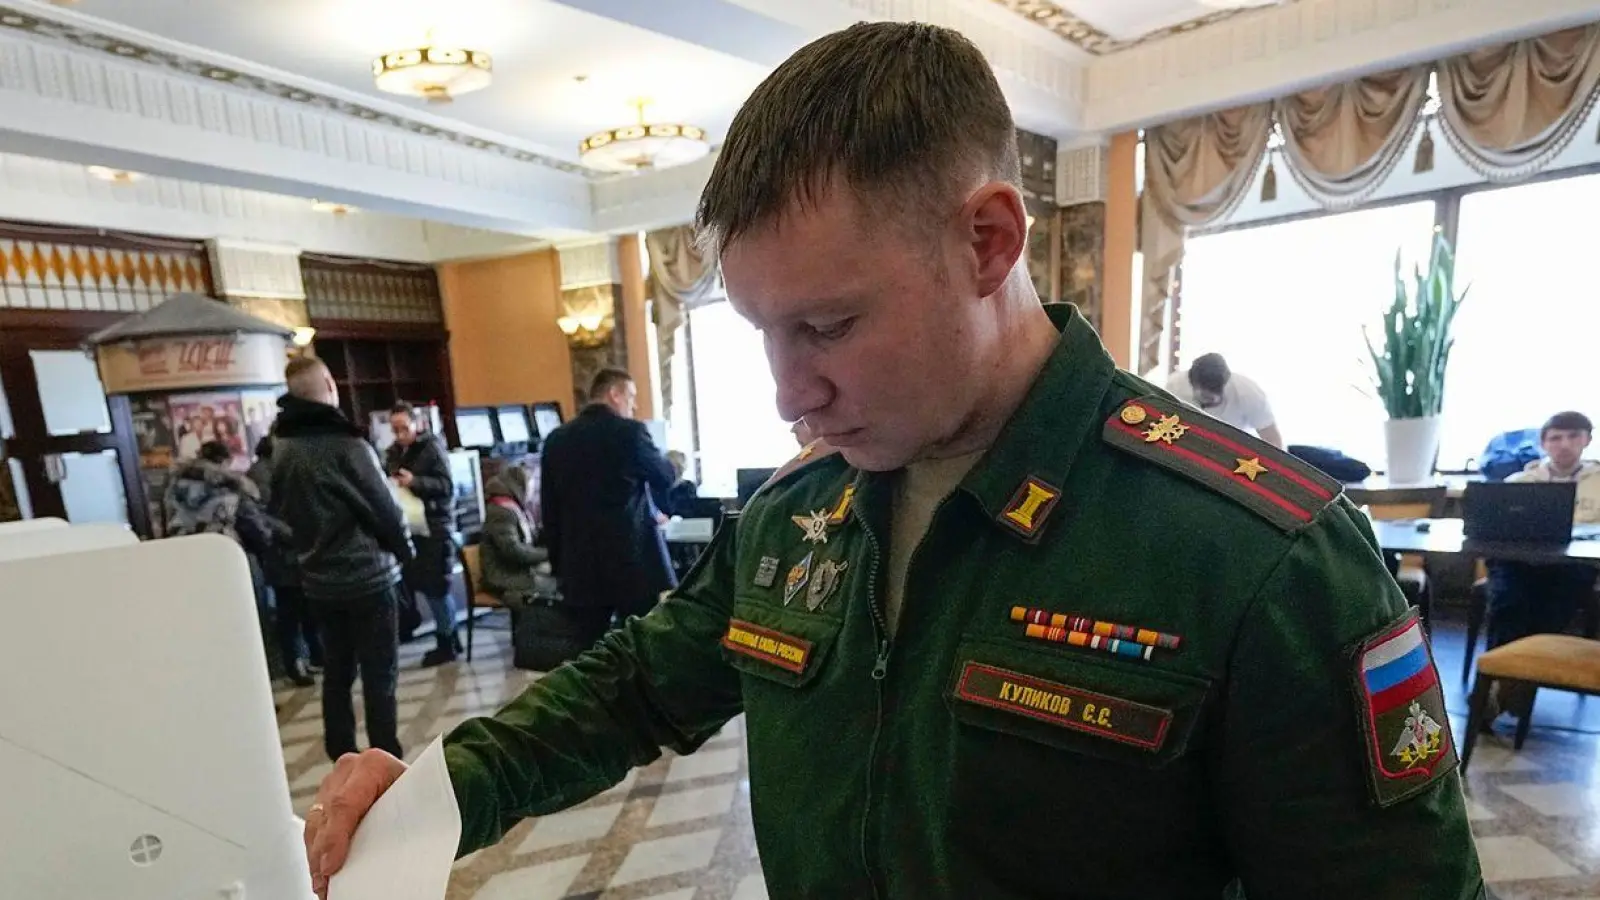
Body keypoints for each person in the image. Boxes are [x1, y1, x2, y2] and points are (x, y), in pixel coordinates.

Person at [304, 22, 1481, 900]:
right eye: (761, 332)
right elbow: (639, 687)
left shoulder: (1255, 557)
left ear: (986, 241)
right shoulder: (797, 518)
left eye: (827, 328)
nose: (788, 392)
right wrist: (437, 792)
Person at [270, 356, 413, 763]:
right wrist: (406, 552)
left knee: (336, 673)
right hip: (369, 577)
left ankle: (342, 755)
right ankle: (385, 759)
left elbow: (279, 513)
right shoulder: (350, 445)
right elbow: (387, 510)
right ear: (330, 386)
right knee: (380, 675)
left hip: (318, 580)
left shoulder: (282, 448)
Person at [536, 368, 678, 644]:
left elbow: (550, 510)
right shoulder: (630, 433)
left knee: (586, 650)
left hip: (579, 565)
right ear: (614, 394)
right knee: (639, 644)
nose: (633, 405)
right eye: (631, 396)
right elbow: (665, 476)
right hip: (630, 561)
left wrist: (558, 566)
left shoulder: (557, 439)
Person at [1485, 411, 1600, 653]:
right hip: (1520, 562)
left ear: (1587, 439)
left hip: (1574, 564)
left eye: (1573, 436)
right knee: (1508, 602)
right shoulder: (1519, 482)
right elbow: (1496, 528)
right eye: (1556, 438)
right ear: (1543, 443)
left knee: (1551, 608)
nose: (1565, 445)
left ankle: (1521, 677)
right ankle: (1496, 677)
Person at [384, 401, 461, 667]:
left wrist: (414, 482)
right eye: (394, 429)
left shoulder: (432, 448)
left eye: (404, 428)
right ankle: (449, 635)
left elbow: (446, 486)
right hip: (412, 526)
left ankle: (446, 641)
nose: (400, 434)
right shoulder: (393, 452)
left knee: (437, 587)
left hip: (435, 526)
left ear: (417, 424)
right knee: (424, 585)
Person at [250, 435, 321, 688]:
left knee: (300, 609)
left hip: (291, 554)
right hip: (284, 555)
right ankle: (297, 663)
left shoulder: (271, 469)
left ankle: (310, 657)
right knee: (290, 613)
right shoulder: (263, 474)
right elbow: (269, 516)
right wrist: (296, 535)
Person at [1165, 352, 1284, 448]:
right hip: (1188, 442)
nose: (1212, 400)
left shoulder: (1249, 394)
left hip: (1234, 449)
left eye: (1216, 392)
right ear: (1192, 383)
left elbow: (1273, 441)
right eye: (1205, 396)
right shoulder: (1174, 386)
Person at [478, 466, 552, 606]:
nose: (532, 492)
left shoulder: (513, 507)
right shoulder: (501, 511)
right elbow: (513, 551)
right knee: (556, 586)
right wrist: (549, 553)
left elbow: (531, 538)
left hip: (515, 570)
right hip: (504, 576)